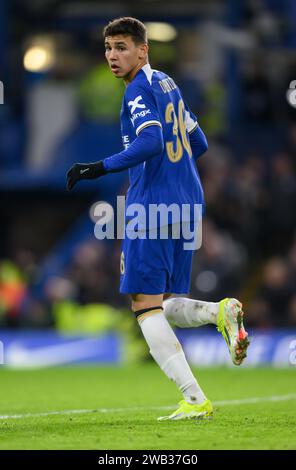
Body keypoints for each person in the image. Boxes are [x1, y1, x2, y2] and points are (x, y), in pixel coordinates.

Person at [66, 17, 249, 420]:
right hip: (188, 201)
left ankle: (195, 399)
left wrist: (99, 167)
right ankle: (218, 313)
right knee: (164, 303)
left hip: (153, 205)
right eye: (109, 48)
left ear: (142, 50)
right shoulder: (168, 83)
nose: (113, 56)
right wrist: (174, 172)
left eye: (122, 47)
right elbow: (197, 142)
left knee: (142, 305)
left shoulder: (137, 90)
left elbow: (151, 140)